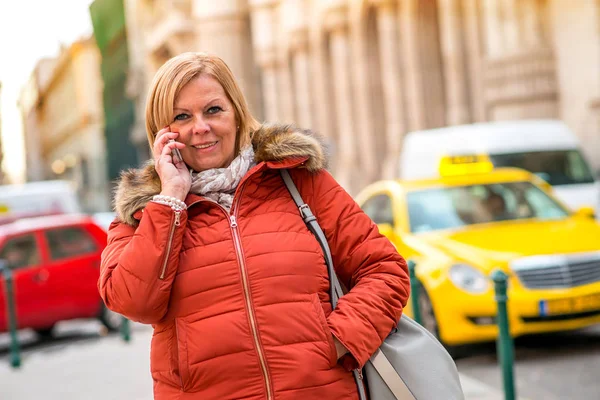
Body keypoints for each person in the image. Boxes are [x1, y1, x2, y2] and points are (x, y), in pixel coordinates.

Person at [99, 52, 410, 400]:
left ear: (236, 113)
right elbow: (133, 302)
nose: (200, 127)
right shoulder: (143, 212)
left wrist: (336, 342)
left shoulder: (297, 180)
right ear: (162, 132)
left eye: (213, 110)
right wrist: (171, 197)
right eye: (182, 116)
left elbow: (385, 270)